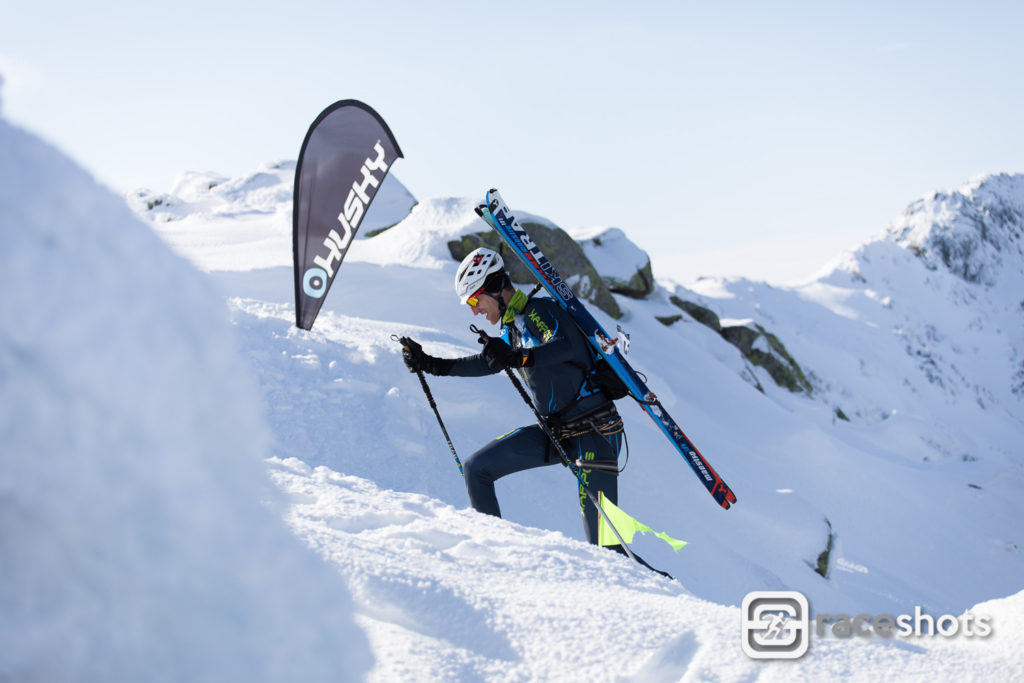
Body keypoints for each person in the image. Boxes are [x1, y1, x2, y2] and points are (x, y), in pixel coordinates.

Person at [400, 247, 631, 556]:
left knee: (607, 550)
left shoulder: (540, 311)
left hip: (596, 433)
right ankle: (494, 559)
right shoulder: (514, 327)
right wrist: (432, 364)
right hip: (558, 434)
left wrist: (518, 356)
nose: (474, 310)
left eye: (473, 300)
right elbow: (488, 363)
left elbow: (564, 347)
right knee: (476, 468)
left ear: (495, 287)